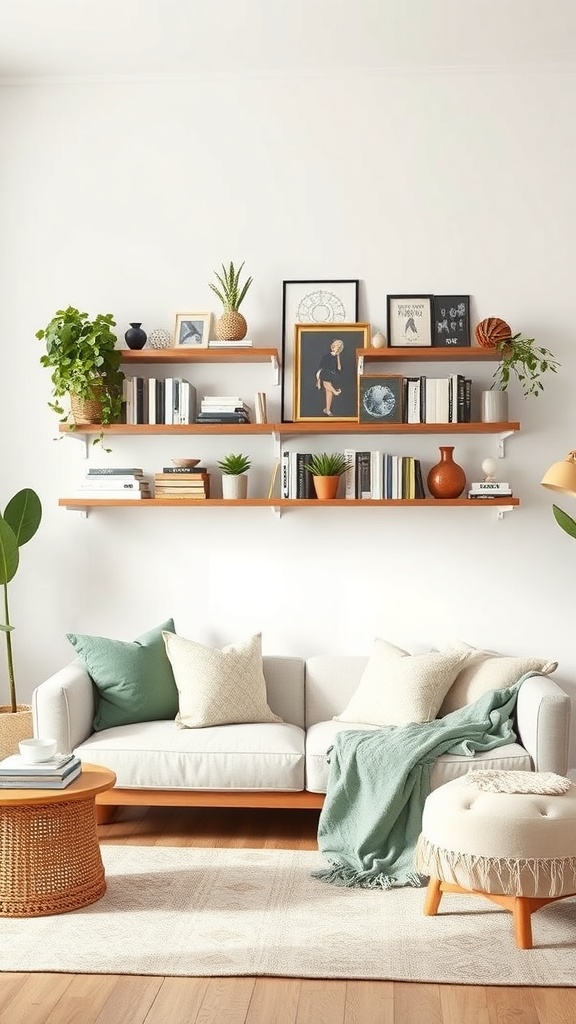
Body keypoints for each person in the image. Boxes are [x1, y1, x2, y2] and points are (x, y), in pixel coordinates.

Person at [316, 339, 344, 415]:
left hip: (331, 376)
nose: (338, 347)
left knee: (328, 392)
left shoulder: (337, 357)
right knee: (325, 381)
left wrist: (338, 357)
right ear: (333, 346)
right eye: (337, 345)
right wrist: (318, 379)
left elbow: (338, 370)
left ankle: (327, 410)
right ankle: (335, 392)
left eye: (339, 346)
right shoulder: (326, 356)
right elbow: (320, 368)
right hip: (323, 373)